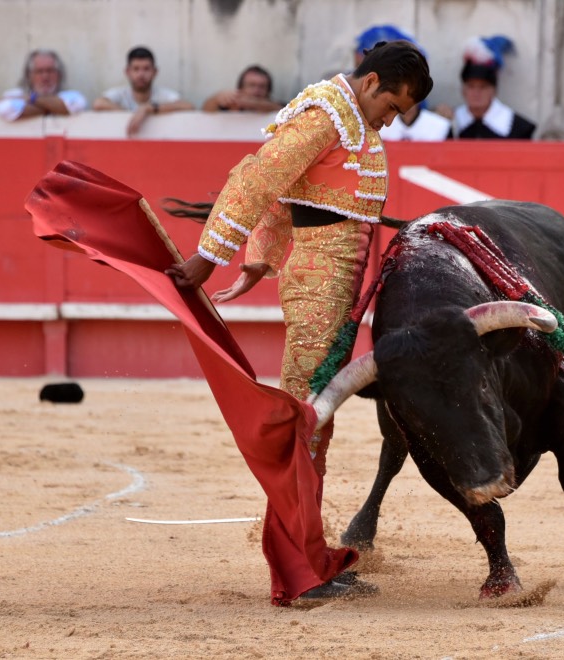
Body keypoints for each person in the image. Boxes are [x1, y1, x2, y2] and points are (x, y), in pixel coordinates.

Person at [165, 40, 433, 602]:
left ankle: (310, 559)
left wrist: (257, 260)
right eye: (392, 105)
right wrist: (207, 257)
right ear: (370, 83)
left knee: (318, 419)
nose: (391, 119)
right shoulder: (326, 117)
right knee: (306, 418)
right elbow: (256, 179)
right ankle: (298, 573)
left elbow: (285, 197)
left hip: (336, 284)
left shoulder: (350, 118)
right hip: (318, 284)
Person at [349, 25, 450, 142]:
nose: (389, 122)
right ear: (371, 81)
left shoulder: (439, 126)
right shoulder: (331, 117)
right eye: (390, 107)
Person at [93, 46, 194, 137]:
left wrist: (147, 108)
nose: (141, 74)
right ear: (127, 72)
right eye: (136, 69)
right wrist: (132, 114)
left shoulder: (163, 94)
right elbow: (98, 103)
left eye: (146, 69)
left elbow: (189, 106)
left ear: (154, 72)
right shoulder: (120, 93)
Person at [450, 35, 536, 140]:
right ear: (463, 91)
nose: (476, 93)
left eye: (483, 87)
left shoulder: (519, 129)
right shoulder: (450, 123)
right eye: (471, 87)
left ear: (494, 91)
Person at [0, 49, 87, 122]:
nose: (45, 76)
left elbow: (75, 105)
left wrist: (31, 99)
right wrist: (54, 108)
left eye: (50, 71)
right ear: (29, 76)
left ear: (59, 74)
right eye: (39, 71)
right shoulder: (15, 94)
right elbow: (7, 109)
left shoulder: (70, 95)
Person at [201, 65, 282, 113]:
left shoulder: (277, 108)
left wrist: (252, 103)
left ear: (268, 90)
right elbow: (205, 110)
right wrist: (217, 98)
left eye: (262, 86)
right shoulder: (230, 106)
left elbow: (281, 109)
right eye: (252, 85)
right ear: (240, 88)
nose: (257, 90)